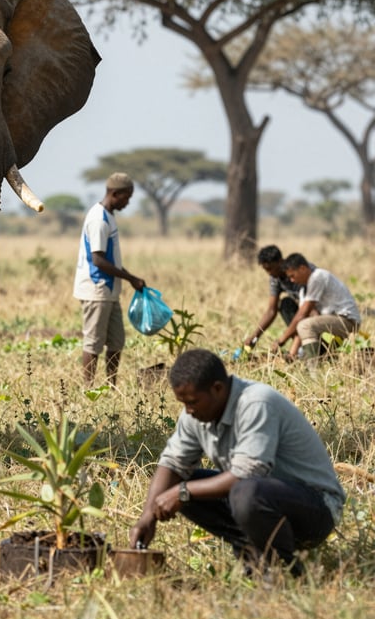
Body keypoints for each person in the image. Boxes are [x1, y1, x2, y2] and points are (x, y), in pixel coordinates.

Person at [129, 349, 345, 577]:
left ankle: (282, 570)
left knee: (243, 491)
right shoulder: (195, 415)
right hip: (263, 498)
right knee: (182, 485)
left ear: (217, 389)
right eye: (183, 403)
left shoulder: (256, 403)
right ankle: (255, 555)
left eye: (192, 402)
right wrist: (147, 518)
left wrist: (183, 492)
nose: (188, 410)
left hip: (316, 508)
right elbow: (172, 464)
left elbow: (248, 473)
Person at [73, 172, 146, 386]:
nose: (128, 202)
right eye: (126, 197)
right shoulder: (98, 219)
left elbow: (109, 258)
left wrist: (130, 278)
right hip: (97, 288)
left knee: (116, 340)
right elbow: (98, 260)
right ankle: (89, 388)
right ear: (115, 193)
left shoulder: (108, 216)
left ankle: (111, 386)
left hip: (108, 290)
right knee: (93, 342)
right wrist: (130, 277)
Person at [272, 253, 361, 362]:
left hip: (346, 320)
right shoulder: (303, 291)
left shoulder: (318, 277)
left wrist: (281, 340)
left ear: (302, 268)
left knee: (305, 326)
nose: (292, 280)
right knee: (305, 325)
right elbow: (304, 319)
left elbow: (302, 315)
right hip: (331, 322)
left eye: (292, 275)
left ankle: (313, 371)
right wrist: (292, 353)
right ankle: (310, 360)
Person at [242, 245, 314, 356]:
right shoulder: (275, 278)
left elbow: (306, 309)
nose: (269, 273)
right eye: (266, 270)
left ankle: (304, 347)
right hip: (302, 310)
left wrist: (282, 339)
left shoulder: (302, 271)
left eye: (271, 269)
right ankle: (300, 345)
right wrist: (255, 336)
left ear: (280, 262)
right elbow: (271, 310)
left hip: (316, 311)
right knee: (285, 304)